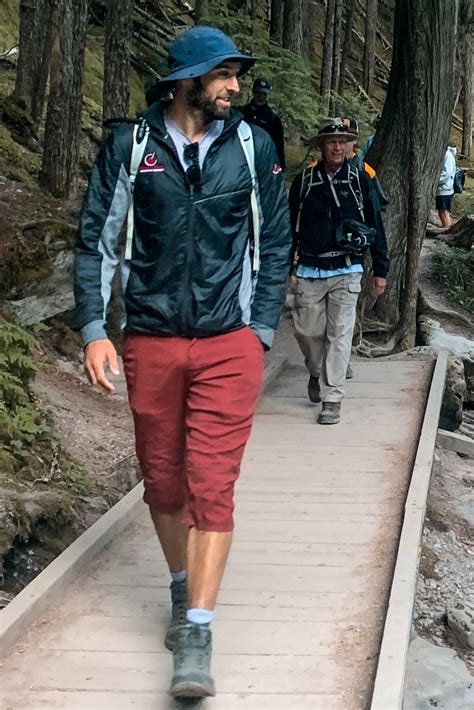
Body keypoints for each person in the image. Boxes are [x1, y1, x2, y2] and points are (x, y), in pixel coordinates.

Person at [74, 25, 291, 699]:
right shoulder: (131, 145)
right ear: (186, 80)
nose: (234, 87)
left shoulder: (252, 145)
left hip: (229, 341)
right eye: (223, 75)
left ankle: (197, 630)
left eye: (234, 75)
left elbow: (274, 241)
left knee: (211, 483)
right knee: (163, 481)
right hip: (151, 337)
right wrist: (94, 328)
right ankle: (179, 585)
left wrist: (258, 330)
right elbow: (96, 240)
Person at [289, 118, 389, 425]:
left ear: (349, 146)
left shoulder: (360, 179)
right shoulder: (306, 180)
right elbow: (289, 225)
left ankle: (332, 398)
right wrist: (285, 265)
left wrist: (380, 268)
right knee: (307, 332)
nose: (337, 146)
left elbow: (376, 223)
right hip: (309, 267)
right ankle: (316, 371)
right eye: (331, 141)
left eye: (342, 141)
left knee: (340, 334)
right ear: (321, 145)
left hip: (347, 268)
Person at [341, 116, 389, 213]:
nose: (341, 142)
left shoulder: (365, 171)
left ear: (355, 139)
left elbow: (380, 206)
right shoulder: (316, 171)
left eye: (347, 136)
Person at [238, 77, 286, 169]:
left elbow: (279, 146)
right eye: (258, 93)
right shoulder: (241, 113)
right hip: (242, 158)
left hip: (263, 162)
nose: (261, 97)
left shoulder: (273, 118)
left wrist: (280, 167)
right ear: (253, 92)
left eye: (264, 94)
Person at [436, 145, 457, 228]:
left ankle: (447, 230)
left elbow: (446, 173)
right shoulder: (446, 154)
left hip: (444, 189)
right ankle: (448, 228)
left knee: (443, 212)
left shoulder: (447, 155)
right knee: (443, 212)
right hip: (444, 188)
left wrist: (435, 181)